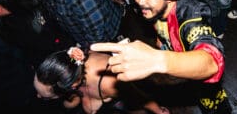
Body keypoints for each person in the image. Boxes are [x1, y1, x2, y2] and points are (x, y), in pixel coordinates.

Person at [91, 0, 232, 114]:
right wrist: (162, 42)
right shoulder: (155, 7)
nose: (140, 1)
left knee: (212, 103)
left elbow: (211, 62)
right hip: (180, 60)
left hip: (201, 79)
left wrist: (158, 60)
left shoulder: (192, 18)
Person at [34, 46, 169, 113]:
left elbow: (138, 98)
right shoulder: (67, 66)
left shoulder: (107, 82)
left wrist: (158, 111)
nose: (37, 96)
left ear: (73, 84)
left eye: (46, 97)